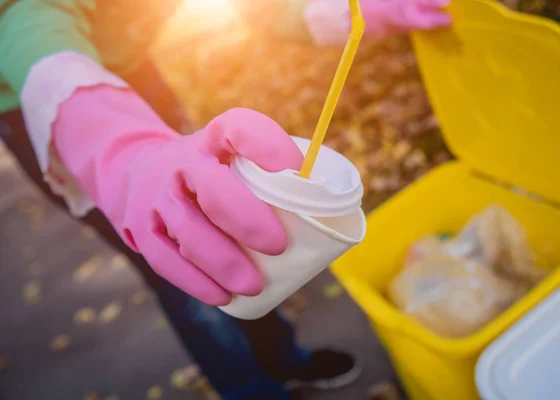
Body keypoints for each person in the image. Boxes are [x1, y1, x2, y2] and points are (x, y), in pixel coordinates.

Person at [0, 0, 451, 398]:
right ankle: (249, 391)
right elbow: (27, 19)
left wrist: (349, 11)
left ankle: (284, 360)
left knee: (227, 232)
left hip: (132, 69)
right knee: (177, 258)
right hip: (42, 91)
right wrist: (120, 151)